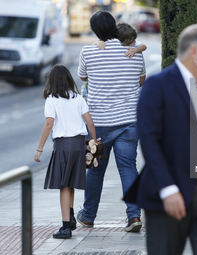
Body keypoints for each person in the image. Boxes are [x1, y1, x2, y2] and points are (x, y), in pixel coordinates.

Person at [124, 24, 197, 255]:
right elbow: (149, 140)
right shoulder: (157, 85)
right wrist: (167, 189)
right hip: (170, 192)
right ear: (195, 51)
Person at [77, 11, 146, 232]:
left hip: (99, 125)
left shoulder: (88, 51)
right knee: (128, 167)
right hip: (129, 121)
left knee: (96, 170)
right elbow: (141, 80)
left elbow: (84, 78)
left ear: (95, 30)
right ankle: (134, 216)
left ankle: (88, 217)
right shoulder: (133, 51)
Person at [34, 64, 97, 239]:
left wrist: (39, 149)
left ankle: (65, 228)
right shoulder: (77, 98)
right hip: (78, 144)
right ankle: (69, 217)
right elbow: (90, 123)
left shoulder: (52, 99)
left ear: (51, 81)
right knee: (70, 182)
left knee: (64, 185)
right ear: (69, 79)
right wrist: (94, 142)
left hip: (63, 145)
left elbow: (49, 124)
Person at [82, 22, 147, 103]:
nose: (134, 42)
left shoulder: (134, 48)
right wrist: (98, 42)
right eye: (132, 41)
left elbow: (144, 46)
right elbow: (141, 81)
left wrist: (135, 50)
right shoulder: (138, 55)